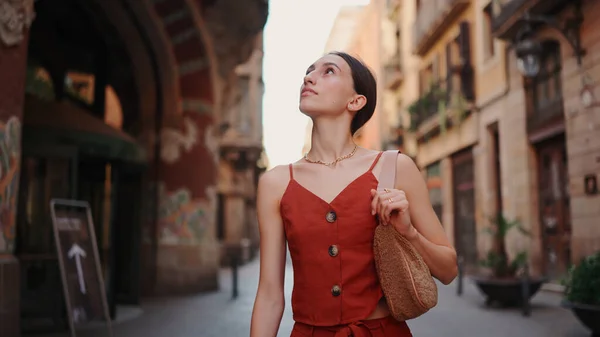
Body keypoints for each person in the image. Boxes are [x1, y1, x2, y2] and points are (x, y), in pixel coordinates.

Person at [250, 52, 458, 337]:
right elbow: (270, 295)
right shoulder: (275, 182)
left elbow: (448, 270)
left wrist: (408, 232)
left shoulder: (395, 167)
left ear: (356, 101)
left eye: (329, 71)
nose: (308, 77)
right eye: (310, 71)